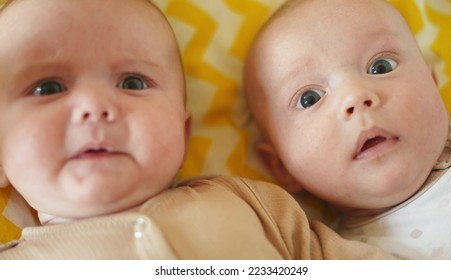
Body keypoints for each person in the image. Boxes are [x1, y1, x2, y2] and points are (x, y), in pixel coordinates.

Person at [0, 0, 395, 259]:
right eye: (47, 88)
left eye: (133, 83)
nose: (97, 107)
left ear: (182, 133)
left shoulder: (250, 204)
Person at [243, 0, 451, 259]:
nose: (355, 96)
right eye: (309, 98)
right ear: (280, 166)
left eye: (381, 67)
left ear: (432, 82)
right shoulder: (328, 257)